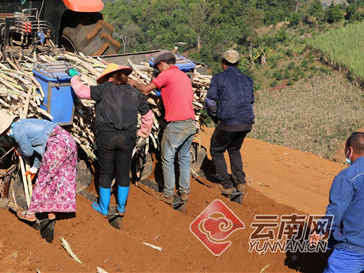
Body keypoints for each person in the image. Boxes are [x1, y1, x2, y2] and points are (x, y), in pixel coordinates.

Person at [68, 63, 153, 220]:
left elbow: (81, 92)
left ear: (109, 77)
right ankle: (121, 208)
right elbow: (148, 116)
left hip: (106, 137)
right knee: (123, 172)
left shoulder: (103, 89)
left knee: (106, 172)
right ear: (124, 76)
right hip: (127, 138)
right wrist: (143, 133)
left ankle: (103, 208)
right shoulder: (134, 93)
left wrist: (75, 77)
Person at [129, 52, 196, 203]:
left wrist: (134, 83)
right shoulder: (184, 76)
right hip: (190, 123)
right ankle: (185, 192)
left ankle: (168, 194)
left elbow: (146, 89)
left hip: (177, 124)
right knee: (184, 158)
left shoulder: (166, 74)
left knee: (167, 158)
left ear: (161, 65)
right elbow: (168, 97)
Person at [0, 109, 78, 222]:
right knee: (60, 178)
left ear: (4, 130)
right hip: (68, 142)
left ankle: (31, 213)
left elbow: (29, 153)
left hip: (57, 145)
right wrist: (34, 167)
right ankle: (51, 210)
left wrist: (20, 150)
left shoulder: (17, 131)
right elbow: (41, 148)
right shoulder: (23, 123)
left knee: (44, 179)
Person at [309, 132, 364, 273]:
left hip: (353, 250)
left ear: (349, 150)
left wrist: (319, 230)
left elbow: (336, 209)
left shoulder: (349, 176)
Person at [204, 50, 255, 196]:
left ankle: (226, 185)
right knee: (234, 149)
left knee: (216, 150)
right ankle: (240, 182)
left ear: (223, 63)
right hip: (246, 122)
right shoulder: (247, 79)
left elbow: (210, 100)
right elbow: (251, 100)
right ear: (237, 63)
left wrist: (214, 114)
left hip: (229, 121)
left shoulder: (218, 78)